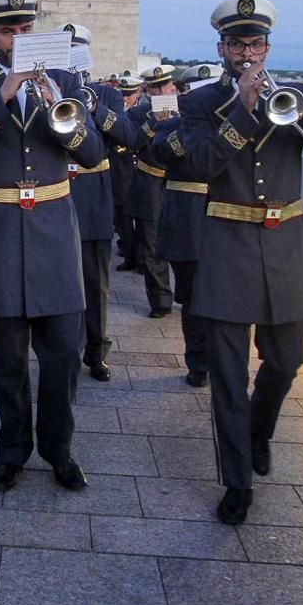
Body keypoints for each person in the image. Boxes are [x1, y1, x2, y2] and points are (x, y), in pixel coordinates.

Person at [180, 0, 303, 524]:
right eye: (237, 44)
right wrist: (246, 112)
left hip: (287, 245)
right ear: (222, 48)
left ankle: (259, 430)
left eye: (255, 43)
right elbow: (203, 164)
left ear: (267, 46)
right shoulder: (202, 102)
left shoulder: (296, 94)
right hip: (228, 244)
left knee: (287, 361)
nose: (247, 52)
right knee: (229, 377)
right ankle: (236, 483)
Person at [0, 0, 104, 493]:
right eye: (7, 30)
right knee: (8, 361)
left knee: (62, 358)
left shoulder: (64, 80)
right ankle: (12, 450)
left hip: (54, 236)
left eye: (25, 29)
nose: (18, 37)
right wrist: (4, 93)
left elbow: (93, 152)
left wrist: (63, 113)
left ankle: (59, 449)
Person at [57, 23, 136, 383]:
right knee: (59, 277)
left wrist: (93, 104)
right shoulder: (49, 90)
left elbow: (127, 135)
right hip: (57, 192)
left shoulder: (105, 92)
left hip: (92, 194)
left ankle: (96, 351)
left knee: (95, 280)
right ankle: (63, 349)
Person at [149, 64, 223, 386]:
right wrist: (192, 128)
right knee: (192, 297)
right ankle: (197, 362)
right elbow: (161, 152)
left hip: (223, 215)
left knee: (224, 295)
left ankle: (221, 359)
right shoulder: (173, 126)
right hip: (185, 215)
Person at [125, 67, 176, 318]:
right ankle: (160, 299)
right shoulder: (138, 113)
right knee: (152, 242)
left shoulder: (188, 111)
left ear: (172, 87)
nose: (159, 91)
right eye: (154, 87)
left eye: (163, 86)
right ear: (146, 90)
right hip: (151, 181)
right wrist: (153, 120)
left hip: (181, 184)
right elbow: (132, 141)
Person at [111, 76, 142, 270]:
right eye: (123, 94)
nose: (126, 98)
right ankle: (129, 253)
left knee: (141, 218)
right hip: (119, 167)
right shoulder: (116, 109)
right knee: (122, 215)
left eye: (130, 94)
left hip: (137, 167)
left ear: (138, 93)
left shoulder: (143, 111)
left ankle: (141, 257)